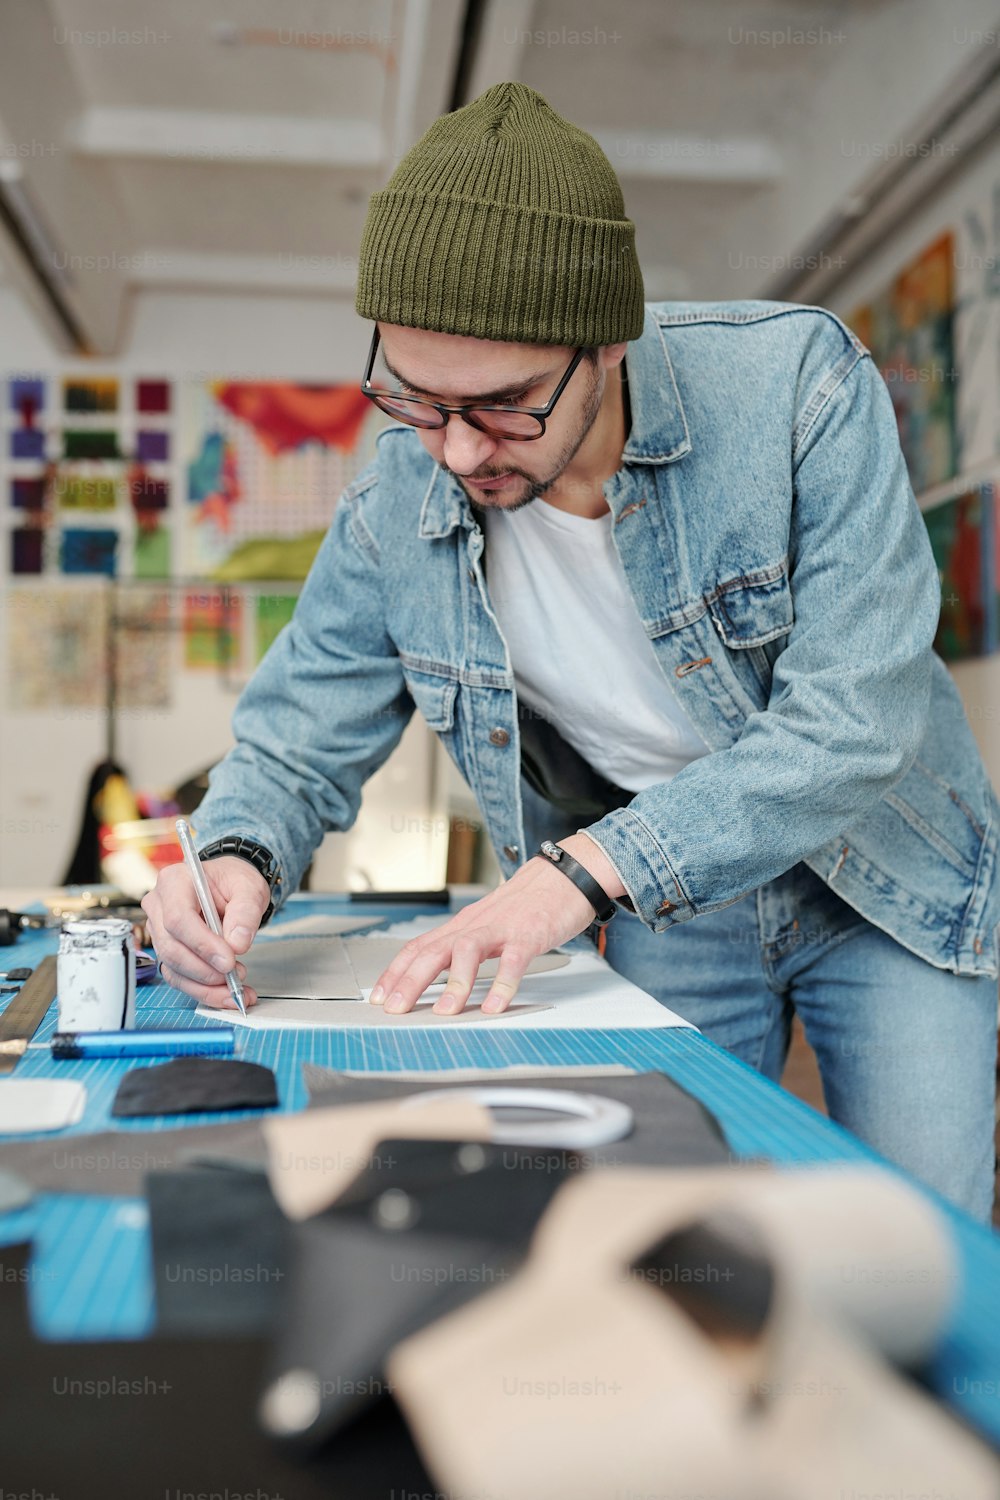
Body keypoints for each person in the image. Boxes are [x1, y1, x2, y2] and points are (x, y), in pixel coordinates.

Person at [142, 82, 1000, 1220]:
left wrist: (571, 880)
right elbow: (299, 735)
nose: (452, 450)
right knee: (658, 1231)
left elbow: (855, 722)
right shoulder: (397, 496)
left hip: (881, 876)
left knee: (923, 1235)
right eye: (412, 398)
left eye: (500, 406)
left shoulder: (799, 387)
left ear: (605, 345)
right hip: (663, 913)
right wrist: (236, 858)